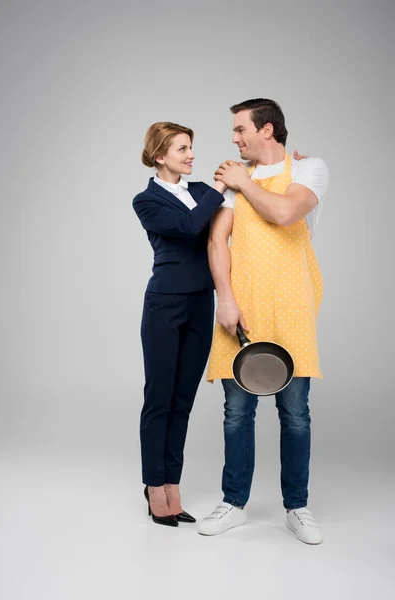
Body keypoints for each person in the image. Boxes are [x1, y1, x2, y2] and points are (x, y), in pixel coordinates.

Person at [198, 99, 329, 544]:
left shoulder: (309, 170)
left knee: (295, 414)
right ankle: (233, 503)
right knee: (237, 413)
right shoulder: (233, 180)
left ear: (267, 130)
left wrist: (241, 180)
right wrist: (226, 300)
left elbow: (285, 213)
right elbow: (217, 242)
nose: (234, 139)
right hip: (243, 307)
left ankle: (298, 507)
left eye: (240, 130)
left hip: (291, 304)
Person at [132, 122, 226, 526]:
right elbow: (189, 229)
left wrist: (290, 164)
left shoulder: (202, 191)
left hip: (201, 303)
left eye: (191, 148)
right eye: (182, 149)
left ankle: (173, 483)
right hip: (164, 305)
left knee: (182, 402)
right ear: (159, 156)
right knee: (159, 398)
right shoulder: (146, 201)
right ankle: (155, 487)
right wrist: (222, 192)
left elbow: (249, 188)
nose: (191, 155)